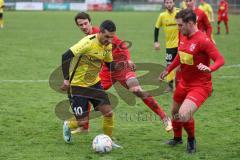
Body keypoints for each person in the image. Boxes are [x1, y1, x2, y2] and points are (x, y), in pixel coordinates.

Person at [65, 12, 172, 135]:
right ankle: (85, 127)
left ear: (90, 22)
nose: (83, 27)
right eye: (80, 25)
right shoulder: (86, 40)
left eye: (85, 23)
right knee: (89, 94)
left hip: (122, 66)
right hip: (107, 71)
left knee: (137, 90)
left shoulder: (102, 32)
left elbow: (122, 45)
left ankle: (164, 118)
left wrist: (128, 59)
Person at [159, 9, 224, 153]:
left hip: (201, 86)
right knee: (175, 112)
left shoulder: (203, 40)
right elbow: (180, 56)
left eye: (181, 25)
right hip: (184, 83)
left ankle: (191, 139)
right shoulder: (183, 34)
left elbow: (220, 60)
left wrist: (210, 68)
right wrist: (168, 70)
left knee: (184, 114)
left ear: (190, 23)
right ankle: (177, 138)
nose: (178, 28)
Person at [61, 20, 122, 148]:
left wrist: (124, 66)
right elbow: (65, 56)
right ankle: (68, 124)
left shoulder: (107, 46)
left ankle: (109, 140)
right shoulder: (87, 42)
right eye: (106, 37)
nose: (109, 40)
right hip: (78, 86)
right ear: (99, 32)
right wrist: (66, 79)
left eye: (111, 37)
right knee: (82, 123)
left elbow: (109, 64)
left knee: (108, 113)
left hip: (94, 84)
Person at [154, 0, 180, 92]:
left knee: (184, 65)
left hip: (180, 44)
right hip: (169, 45)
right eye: (167, 2)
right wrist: (156, 42)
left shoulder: (179, 12)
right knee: (169, 65)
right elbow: (156, 28)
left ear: (173, 3)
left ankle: (184, 84)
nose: (169, 4)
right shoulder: (162, 16)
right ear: (164, 4)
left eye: (170, 2)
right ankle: (170, 86)